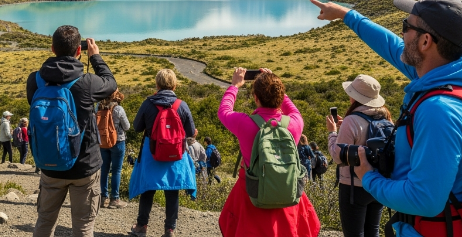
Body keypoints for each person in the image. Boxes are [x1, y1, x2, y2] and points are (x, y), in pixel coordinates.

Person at [311, 0, 462, 237]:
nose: (402, 35)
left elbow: (424, 201)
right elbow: (390, 46)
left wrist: (368, 176)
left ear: (425, 42)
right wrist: (345, 14)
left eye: (406, 27)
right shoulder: (453, 77)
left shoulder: (439, 111)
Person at [26, 26, 117, 237]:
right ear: (79, 51)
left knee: (45, 222)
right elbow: (111, 84)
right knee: (83, 227)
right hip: (84, 166)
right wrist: (95, 58)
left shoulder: (35, 81)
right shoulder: (87, 83)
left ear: (52, 48)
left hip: (49, 164)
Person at [218, 67, 320, 237]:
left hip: (252, 193)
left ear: (255, 98)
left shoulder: (245, 123)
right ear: (281, 97)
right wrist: (274, 81)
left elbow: (224, 111)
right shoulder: (294, 124)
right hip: (286, 192)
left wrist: (235, 85)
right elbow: (293, 110)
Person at [129, 69, 197, 237]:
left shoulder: (148, 103)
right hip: (175, 155)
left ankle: (141, 227)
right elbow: (190, 131)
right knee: (172, 190)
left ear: (157, 84)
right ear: (174, 85)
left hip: (151, 152)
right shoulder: (182, 105)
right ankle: (169, 230)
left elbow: (137, 127)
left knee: (148, 189)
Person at [325, 74, 392, 237]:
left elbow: (337, 156)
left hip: (353, 186)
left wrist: (333, 133)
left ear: (355, 96)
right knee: (373, 232)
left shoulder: (352, 120)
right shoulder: (386, 119)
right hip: (379, 183)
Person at [99, 89, 130, 209]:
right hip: (117, 141)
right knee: (116, 170)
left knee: (104, 169)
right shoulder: (118, 109)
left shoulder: (99, 106)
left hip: (103, 142)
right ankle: (114, 199)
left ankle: (102, 197)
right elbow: (127, 127)